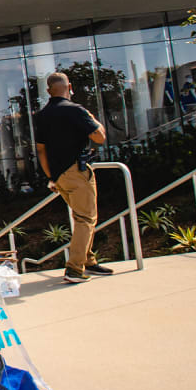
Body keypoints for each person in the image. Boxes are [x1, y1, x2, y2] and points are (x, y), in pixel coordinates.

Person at [33, 72, 112, 283]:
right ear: (70, 87)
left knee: (80, 217)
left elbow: (41, 150)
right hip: (77, 172)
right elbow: (100, 137)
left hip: (59, 176)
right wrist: (91, 117)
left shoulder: (42, 115)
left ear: (48, 90)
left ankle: (89, 261)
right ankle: (75, 269)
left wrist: (52, 176)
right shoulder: (76, 111)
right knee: (86, 219)